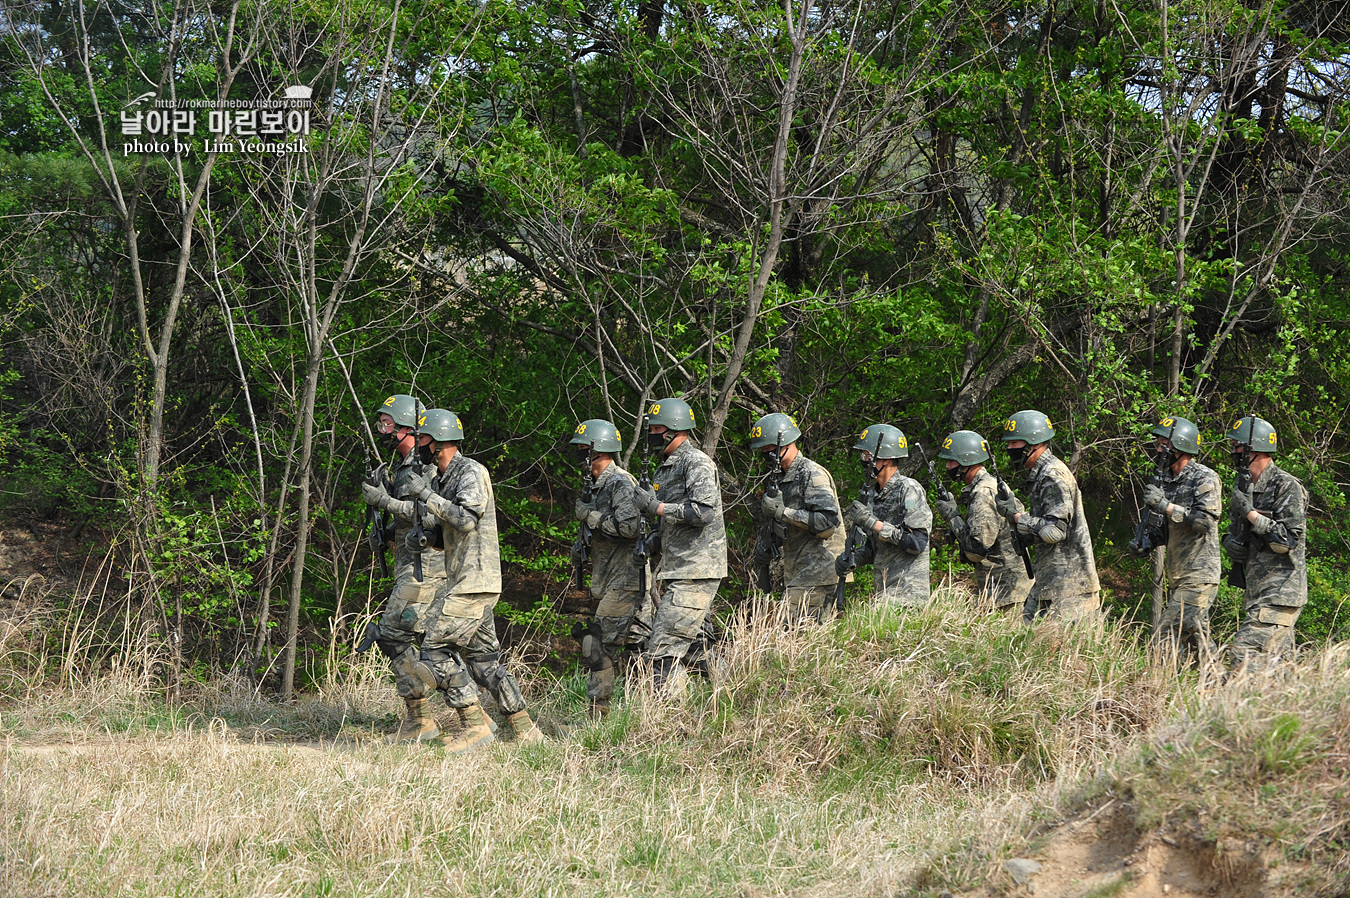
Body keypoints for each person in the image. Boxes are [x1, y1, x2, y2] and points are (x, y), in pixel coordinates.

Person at [404, 409, 546, 751]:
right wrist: (425, 537)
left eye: (423, 439)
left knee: (435, 651)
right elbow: (449, 531)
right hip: (464, 578)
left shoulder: (471, 472)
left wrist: (426, 496)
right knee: (483, 662)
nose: (418, 445)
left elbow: (466, 519)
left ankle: (474, 725)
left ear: (439, 442)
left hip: (474, 581)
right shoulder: (441, 478)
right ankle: (526, 729)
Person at [359, 393, 447, 743]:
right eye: (381, 421)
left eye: (388, 422)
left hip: (426, 568)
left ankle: (423, 720)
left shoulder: (426, 465)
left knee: (395, 635)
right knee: (437, 645)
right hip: (407, 565)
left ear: (408, 427)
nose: (382, 428)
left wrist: (385, 501)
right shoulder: (397, 466)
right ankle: (469, 716)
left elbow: (428, 513)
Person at [631, 398, 727, 692]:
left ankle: (669, 721)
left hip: (695, 570)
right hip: (680, 569)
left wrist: (657, 508)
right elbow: (675, 523)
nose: (653, 434)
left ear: (675, 429)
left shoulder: (695, 462)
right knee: (699, 651)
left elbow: (703, 512)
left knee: (661, 652)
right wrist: (652, 542)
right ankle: (740, 692)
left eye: (657, 427)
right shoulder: (665, 468)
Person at [569, 418, 646, 716]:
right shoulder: (596, 484)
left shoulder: (620, 482)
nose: (578, 456)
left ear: (598, 450)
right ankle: (654, 709)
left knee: (597, 645)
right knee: (645, 646)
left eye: (582, 449)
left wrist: (590, 517)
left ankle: (596, 715)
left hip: (626, 579)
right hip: (610, 578)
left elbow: (629, 528)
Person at [1128, 416, 1221, 663]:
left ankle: (1158, 687)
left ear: (1180, 446)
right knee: (1198, 641)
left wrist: (1165, 505)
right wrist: (1146, 543)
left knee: (1164, 636)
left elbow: (1204, 522)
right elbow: (1166, 529)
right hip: (1179, 576)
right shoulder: (1164, 479)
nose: (1158, 450)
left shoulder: (1204, 478)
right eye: (1158, 444)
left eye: (1164, 445)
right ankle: (1219, 685)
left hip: (1199, 576)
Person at [997, 410, 1101, 623]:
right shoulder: (1041, 473)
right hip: (1051, 583)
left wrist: (1018, 518)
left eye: (1015, 443)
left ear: (1032, 443)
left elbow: (1054, 532)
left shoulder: (1052, 475)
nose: (1009, 449)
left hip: (1070, 589)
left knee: (1070, 654)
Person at [1223, 415, 1307, 670]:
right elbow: (1233, 530)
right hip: (1258, 592)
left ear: (1254, 449)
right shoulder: (1244, 486)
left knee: (1242, 658)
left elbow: (1287, 540)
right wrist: (1230, 542)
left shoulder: (1286, 486)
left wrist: (1250, 513)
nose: (1233, 452)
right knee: (1279, 672)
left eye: (1238, 447)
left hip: (1281, 593)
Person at [750, 413, 845, 623]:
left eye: (769, 448)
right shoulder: (781, 477)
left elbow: (828, 523)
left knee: (800, 639)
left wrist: (782, 512)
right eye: (763, 450)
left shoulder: (810, 473)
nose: (766, 454)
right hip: (799, 573)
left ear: (787, 443)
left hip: (818, 573)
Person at [933, 429, 1031, 613]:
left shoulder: (983, 493)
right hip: (1007, 589)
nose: (947, 466)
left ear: (966, 462)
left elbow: (977, 547)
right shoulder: (988, 485)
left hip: (1006, 593)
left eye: (951, 461)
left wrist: (952, 517)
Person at [839, 424, 931, 608]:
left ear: (886, 460)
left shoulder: (909, 489)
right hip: (884, 591)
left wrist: (873, 523)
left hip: (908, 593)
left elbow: (918, 543)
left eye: (868, 455)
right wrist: (852, 559)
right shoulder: (873, 495)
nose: (863, 460)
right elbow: (874, 549)